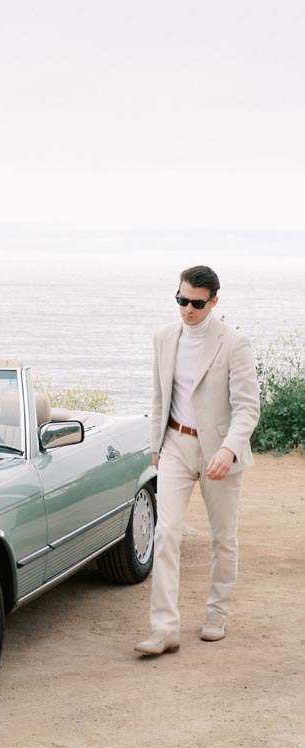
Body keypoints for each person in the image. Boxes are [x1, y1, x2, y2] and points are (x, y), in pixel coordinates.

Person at [135, 265, 260, 656]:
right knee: (166, 533)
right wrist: (156, 442)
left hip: (219, 451)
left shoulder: (234, 344)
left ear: (214, 302)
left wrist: (229, 449)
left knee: (223, 538)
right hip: (174, 445)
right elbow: (160, 396)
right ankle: (164, 629)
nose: (187, 309)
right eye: (181, 300)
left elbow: (247, 407)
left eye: (196, 303)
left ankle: (216, 616)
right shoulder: (163, 338)